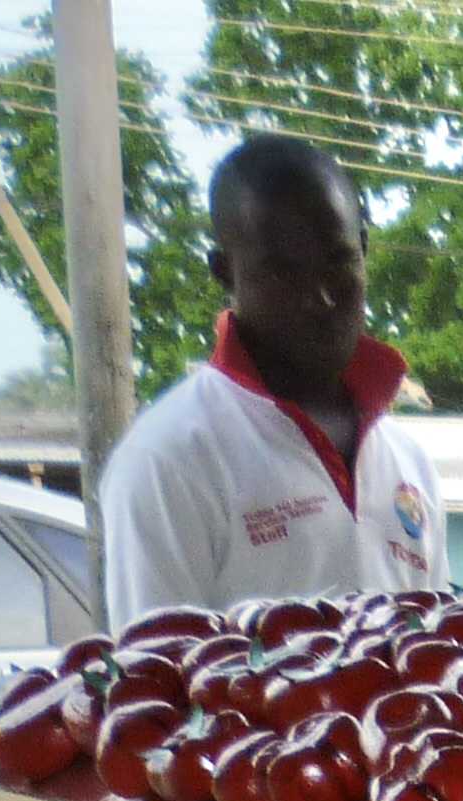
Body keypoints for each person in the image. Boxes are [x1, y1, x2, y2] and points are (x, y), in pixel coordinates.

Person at [97, 135, 443, 625]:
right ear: (224, 273)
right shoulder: (166, 460)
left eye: (338, 263)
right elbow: (156, 683)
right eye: (283, 272)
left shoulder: (411, 463)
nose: (319, 298)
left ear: (364, 249)